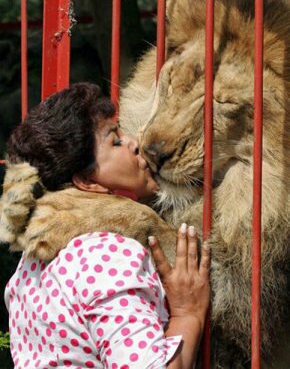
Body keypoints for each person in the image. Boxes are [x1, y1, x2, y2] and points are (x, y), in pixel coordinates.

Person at [4, 83, 210, 368]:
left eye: (121, 131)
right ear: (86, 181)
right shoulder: (108, 254)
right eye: (115, 141)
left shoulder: (29, 265)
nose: (135, 142)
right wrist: (188, 314)